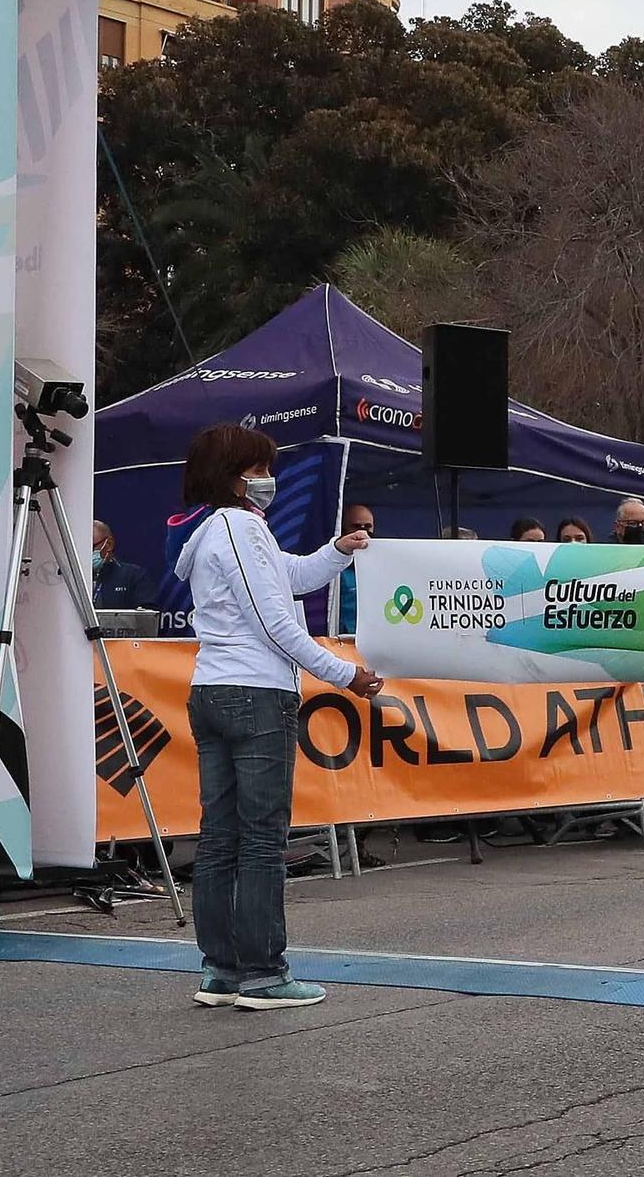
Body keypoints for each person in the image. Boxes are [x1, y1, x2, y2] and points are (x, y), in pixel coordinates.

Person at [168, 424, 383, 1011]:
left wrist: (337, 553)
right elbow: (276, 623)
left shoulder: (214, 530)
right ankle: (264, 974)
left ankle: (221, 969)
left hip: (212, 688)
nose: (270, 478)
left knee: (220, 835)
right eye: (262, 467)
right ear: (240, 474)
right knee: (261, 838)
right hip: (255, 695)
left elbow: (286, 578)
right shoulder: (241, 527)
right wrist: (346, 674)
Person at [91, 520, 158, 610]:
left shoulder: (135, 576)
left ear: (109, 544)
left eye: (91, 547)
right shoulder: (72, 578)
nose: (85, 551)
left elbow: (147, 618)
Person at [336, 505, 374, 636]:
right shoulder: (334, 569)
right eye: (356, 526)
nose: (363, 532)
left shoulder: (381, 566)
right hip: (344, 641)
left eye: (368, 527)